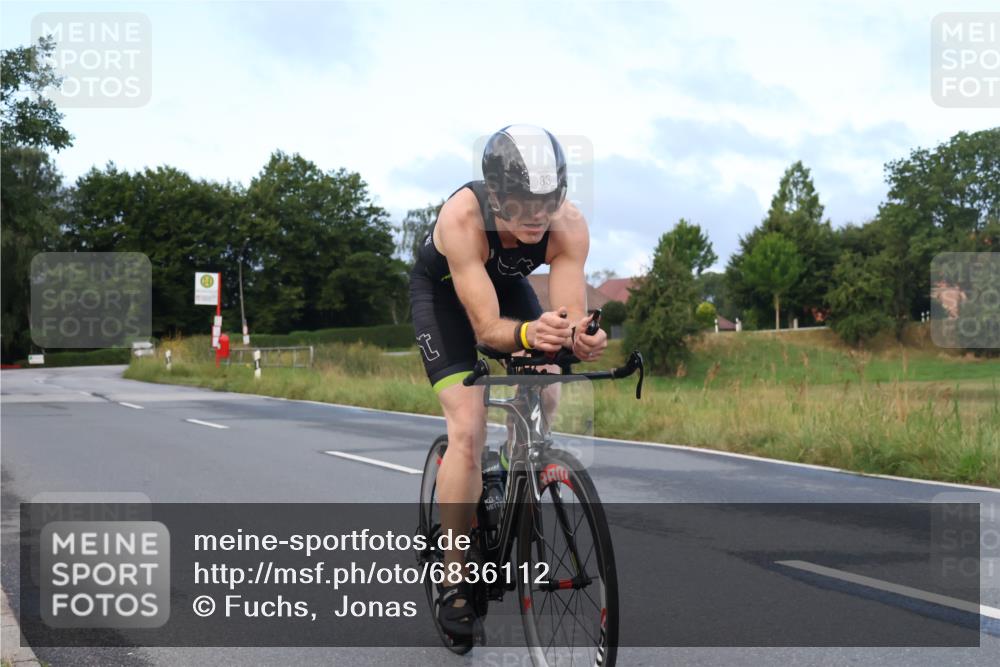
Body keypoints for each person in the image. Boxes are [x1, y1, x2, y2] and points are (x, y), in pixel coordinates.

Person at [409, 124, 608, 638]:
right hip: (447, 300)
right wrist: (528, 332)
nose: (536, 215)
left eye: (547, 200)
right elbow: (488, 330)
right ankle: (455, 576)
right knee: (469, 428)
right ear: (495, 195)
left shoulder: (568, 226)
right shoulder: (462, 217)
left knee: (549, 385)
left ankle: (509, 468)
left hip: (507, 289)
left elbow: (565, 321)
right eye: (521, 203)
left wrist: (578, 339)